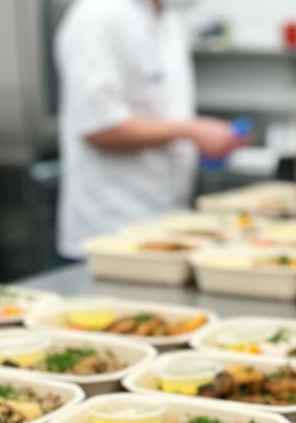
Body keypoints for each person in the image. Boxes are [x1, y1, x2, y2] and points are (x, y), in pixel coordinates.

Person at [55, 0, 246, 259]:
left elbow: (162, 113)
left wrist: (198, 137)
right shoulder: (97, 16)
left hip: (166, 223)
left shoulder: (168, 19)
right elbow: (99, 128)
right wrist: (193, 131)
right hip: (110, 231)